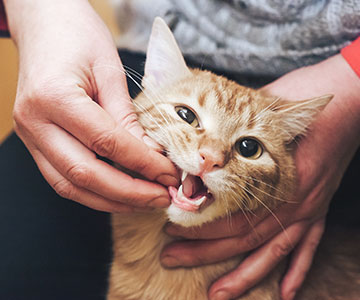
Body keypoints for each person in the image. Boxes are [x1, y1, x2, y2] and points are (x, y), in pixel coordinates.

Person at [0, 1, 359, 300]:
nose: (211, 156)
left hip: (341, 86)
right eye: (188, 117)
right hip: (164, 48)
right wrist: (39, 12)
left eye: (247, 147)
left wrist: (352, 81)